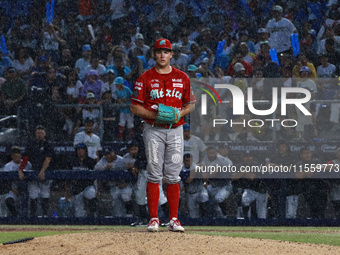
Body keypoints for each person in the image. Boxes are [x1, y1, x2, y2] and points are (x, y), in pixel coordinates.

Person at [130, 38, 196, 232]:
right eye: (158, 51)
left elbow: (191, 103)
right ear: (154, 54)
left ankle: (174, 219)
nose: (162, 55)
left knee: (173, 175)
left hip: (175, 129)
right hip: (153, 129)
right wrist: (154, 114)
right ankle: (153, 218)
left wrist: (179, 113)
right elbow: (134, 106)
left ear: (171, 54)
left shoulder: (182, 77)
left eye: (165, 51)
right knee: (154, 172)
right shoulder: (145, 78)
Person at [19, 125, 55, 217]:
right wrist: (20, 169)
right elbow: (25, 158)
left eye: (41, 133)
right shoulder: (31, 144)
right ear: (35, 134)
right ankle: (33, 217)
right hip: (33, 171)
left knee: (45, 194)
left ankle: (45, 216)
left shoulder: (48, 144)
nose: (40, 135)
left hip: (46, 172)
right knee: (33, 194)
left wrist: (43, 170)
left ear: (45, 134)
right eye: (38, 133)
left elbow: (48, 159)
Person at [64, 143, 97, 217]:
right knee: (79, 213)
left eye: (82, 149)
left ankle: (93, 214)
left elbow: (96, 177)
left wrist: (98, 190)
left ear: (85, 151)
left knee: (91, 193)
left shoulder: (91, 161)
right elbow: (67, 178)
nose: (80, 151)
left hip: (88, 186)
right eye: (78, 149)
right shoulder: (71, 161)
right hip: (76, 188)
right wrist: (67, 191)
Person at [2, 146, 32, 216]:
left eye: (18, 154)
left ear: (20, 155)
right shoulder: (8, 166)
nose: (16, 156)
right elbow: (5, 181)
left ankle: (27, 218)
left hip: (26, 188)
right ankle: (15, 216)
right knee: (9, 200)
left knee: (28, 203)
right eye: (14, 155)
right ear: (12, 156)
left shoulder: (27, 164)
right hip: (13, 188)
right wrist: (11, 188)